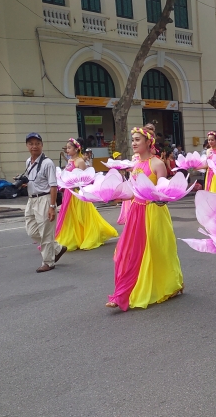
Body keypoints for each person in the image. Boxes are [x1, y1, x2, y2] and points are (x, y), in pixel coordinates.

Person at [106, 126, 183, 311]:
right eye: (133, 139)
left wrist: (159, 200)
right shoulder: (135, 165)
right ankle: (122, 293)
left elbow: (162, 193)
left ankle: (169, 283)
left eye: (137, 139)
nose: (133, 143)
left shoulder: (157, 164)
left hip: (154, 213)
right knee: (125, 253)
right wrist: (115, 195)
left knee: (157, 252)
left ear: (149, 142)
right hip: (136, 212)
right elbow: (133, 192)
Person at [55, 138, 118, 251]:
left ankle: (90, 235)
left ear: (76, 149)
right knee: (71, 217)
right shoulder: (69, 161)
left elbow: (85, 179)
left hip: (78, 193)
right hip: (69, 193)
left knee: (82, 216)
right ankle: (75, 238)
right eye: (67, 148)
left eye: (69, 148)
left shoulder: (80, 162)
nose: (67, 150)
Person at [22, 132, 67, 273]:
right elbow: (33, 180)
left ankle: (48, 262)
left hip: (45, 199)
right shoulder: (28, 162)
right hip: (32, 200)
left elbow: (53, 186)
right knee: (32, 231)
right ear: (27, 146)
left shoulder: (47, 163)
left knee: (46, 233)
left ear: (42, 145)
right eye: (31, 144)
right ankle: (58, 248)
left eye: (37, 143)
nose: (34, 146)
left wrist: (52, 206)